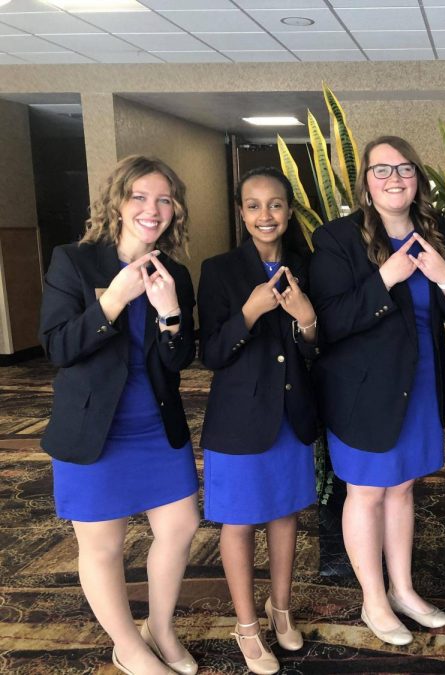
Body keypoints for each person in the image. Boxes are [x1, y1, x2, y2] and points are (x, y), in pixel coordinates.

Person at [39, 155, 199, 675]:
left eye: (164, 200)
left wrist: (171, 313)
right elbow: (59, 347)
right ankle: (128, 646)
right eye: (140, 197)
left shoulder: (173, 272)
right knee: (104, 545)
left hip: (154, 422)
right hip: (93, 427)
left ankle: (161, 627)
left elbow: (180, 360)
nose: (152, 209)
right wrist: (112, 306)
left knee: (180, 525)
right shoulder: (75, 261)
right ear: (118, 202)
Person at [308, 135, 445, 646]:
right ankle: (373, 600)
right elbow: (329, 321)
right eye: (381, 170)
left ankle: (403, 589)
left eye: (404, 168)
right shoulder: (337, 238)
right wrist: (386, 278)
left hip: (420, 383)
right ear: (365, 183)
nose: (394, 178)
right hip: (362, 389)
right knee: (367, 492)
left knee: (402, 488)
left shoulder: (440, 233)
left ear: (417, 178)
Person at [198, 167, 318, 675]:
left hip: (292, 414)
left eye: (275, 205)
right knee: (241, 521)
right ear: (242, 213)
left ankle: (280, 610)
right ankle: (247, 626)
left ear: (289, 212)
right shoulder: (219, 269)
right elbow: (210, 353)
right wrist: (248, 313)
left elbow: (320, 350)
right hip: (240, 420)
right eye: (253, 205)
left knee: (286, 515)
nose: (265, 215)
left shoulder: (308, 266)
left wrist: (307, 319)